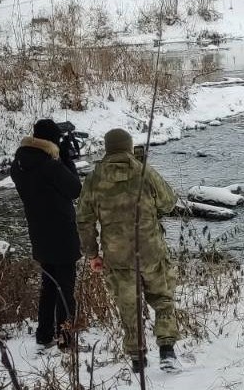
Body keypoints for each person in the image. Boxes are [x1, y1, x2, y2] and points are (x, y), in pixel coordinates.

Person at [77, 129, 180, 373]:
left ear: (107, 148)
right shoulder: (145, 172)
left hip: (117, 255)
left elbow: (84, 220)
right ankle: (167, 351)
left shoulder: (93, 179)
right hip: (151, 250)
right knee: (163, 299)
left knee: (128, 306)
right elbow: (169, 202)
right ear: (129, 147)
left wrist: (92, 254)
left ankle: (137, 359)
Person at [10, 119, 82, 350]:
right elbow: (74, 189)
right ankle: (66, 339)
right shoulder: (51, 166)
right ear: (52, 141)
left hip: (39, 234)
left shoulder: (19, 165)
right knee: (66, 289)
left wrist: (58, 158)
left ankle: (44, 335)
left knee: (49, 285)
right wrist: (66, 159)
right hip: (62, 233)